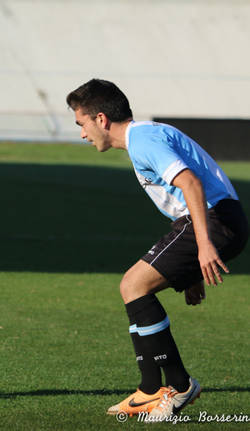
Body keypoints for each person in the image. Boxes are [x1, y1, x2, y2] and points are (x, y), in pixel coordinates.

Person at [66, 79, 248, 421]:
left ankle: (171, 387)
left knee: (133, 285)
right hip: (212, 220)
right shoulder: (145, 136)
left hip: (215, 220)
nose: (82, 134)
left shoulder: (144, 141)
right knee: (134, 287)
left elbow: (190, 183)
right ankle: (154, 388)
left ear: (101, 119)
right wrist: (191, 269)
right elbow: (185, 197)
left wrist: (204, 244)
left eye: (82, 124)